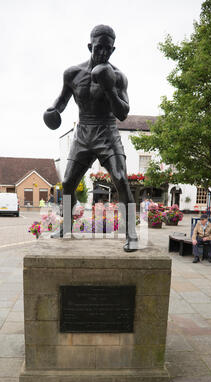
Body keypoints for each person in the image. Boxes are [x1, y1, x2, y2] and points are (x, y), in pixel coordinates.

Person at [43, 25, 138, 252]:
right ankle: (66, 225)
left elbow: (122, 113)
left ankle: (131, 233)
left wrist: (109, 88)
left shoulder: (118, 77)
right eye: (98, 48)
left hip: (107, 132)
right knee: (67, 184)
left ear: (113, 50)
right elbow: (61, 101)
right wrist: (52, 111)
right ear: (90, 46)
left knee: (121, 179)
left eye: (107, 49)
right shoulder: (72, 73)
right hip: (83, 133)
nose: (103, 53)